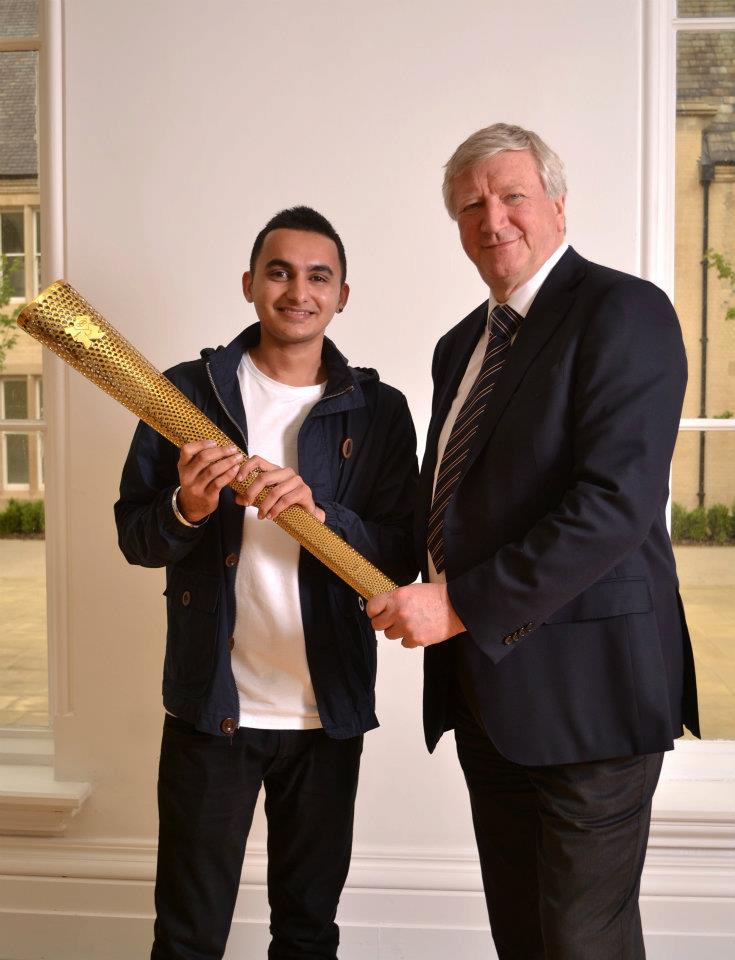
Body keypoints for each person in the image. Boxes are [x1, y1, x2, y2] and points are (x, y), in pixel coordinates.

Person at [367, 124, 700, 960]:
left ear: (555, 201)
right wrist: (313, 513)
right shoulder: (460, 346)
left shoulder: (621, 310)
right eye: (470, 205)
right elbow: (440, 510)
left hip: (593, 693)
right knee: (522, 936)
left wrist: (460, 604)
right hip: (489, 690)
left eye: (511, 194)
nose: (493, 218)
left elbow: (616, 504)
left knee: (583, 943)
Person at [115, 205, 418, 960]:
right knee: (187, 936)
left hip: (326, 714)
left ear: (343, 294)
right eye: (279, 272)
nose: (298, 290)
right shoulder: (182, 396)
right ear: (250, 283)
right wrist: (188, 506)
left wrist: (324, 515)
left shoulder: (379, 412)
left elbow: (400, 559)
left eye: (319, 276)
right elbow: (134, 538)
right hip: (211, 708)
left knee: (308, 934)